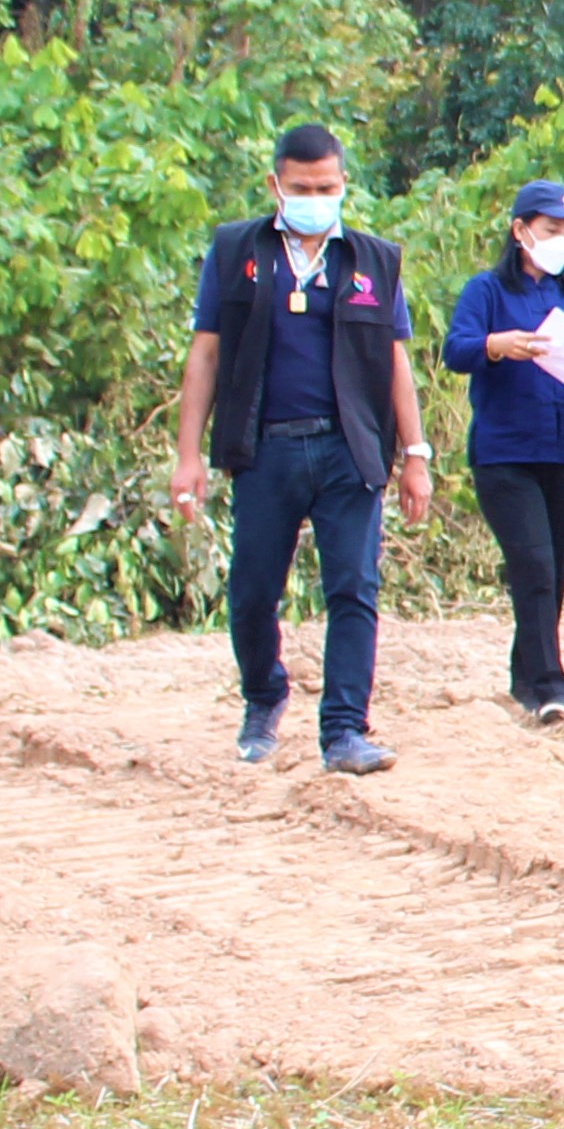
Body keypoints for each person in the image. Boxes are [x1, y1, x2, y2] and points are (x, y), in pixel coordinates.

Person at [166, 123, 438, 775]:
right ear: (275, 186)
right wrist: (188, 455)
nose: (315, 199)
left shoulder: (373, 260)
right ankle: (264, 697)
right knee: (253, 590)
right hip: (266, 450)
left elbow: (395, 361)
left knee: (354, 589)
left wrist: (416, 454)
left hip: (350, 450)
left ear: (344, 184)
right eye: (301, 188)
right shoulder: (236, 252)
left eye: (326, 187)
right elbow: (206, 356)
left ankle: (344, 730)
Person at [443, 179, 564, 727]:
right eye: (552, 230)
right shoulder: (486, 291)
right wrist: (495, 346)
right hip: (507, 452)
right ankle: (551, 685)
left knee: (556, 567)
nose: (561, 240)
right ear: (520, 231)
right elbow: (456, 349)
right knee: (533, 563)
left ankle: (525, 673)